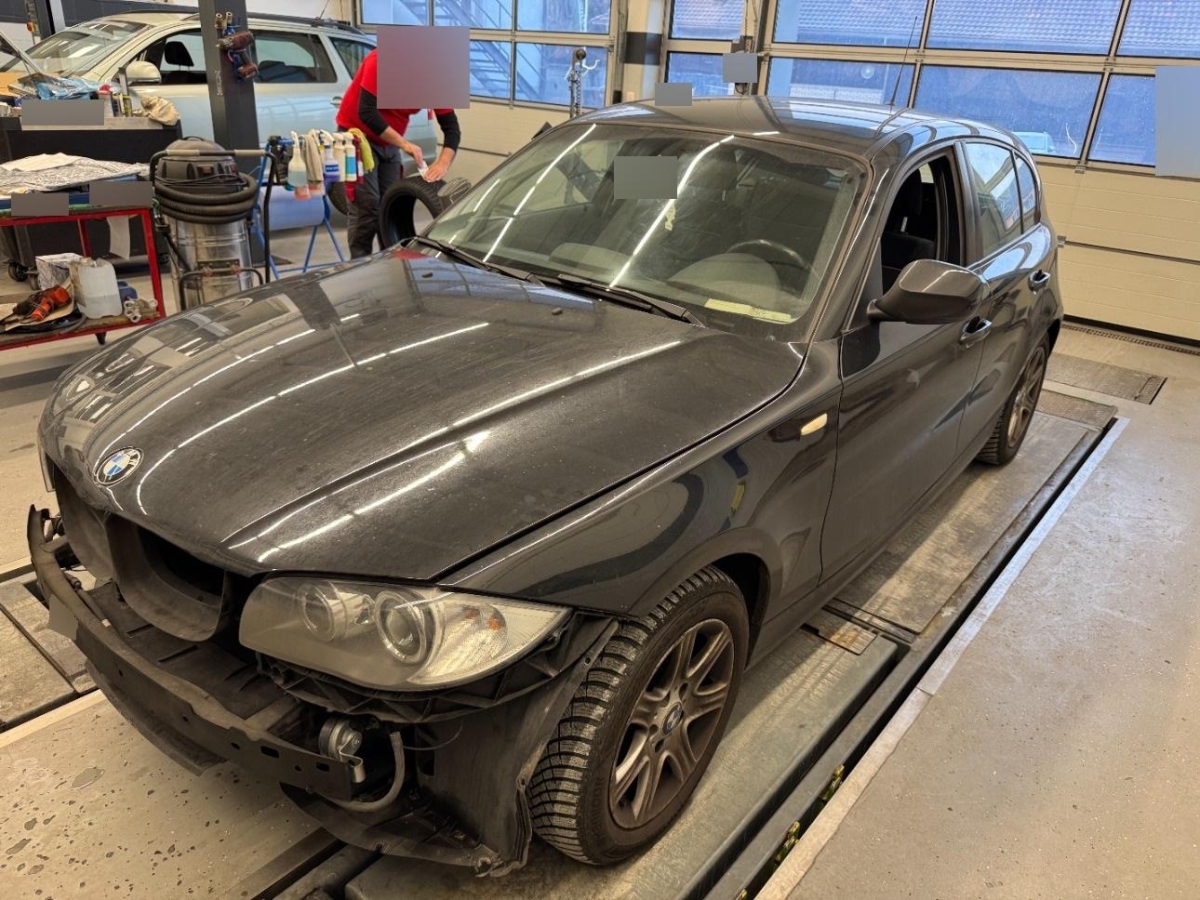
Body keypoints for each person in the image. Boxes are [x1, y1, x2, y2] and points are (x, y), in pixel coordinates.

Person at [335, 48, 462, 258]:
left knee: (390, 204)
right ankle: (359, 264)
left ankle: (391, 261)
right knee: (367, 205)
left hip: (388, 141)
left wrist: (443, 163)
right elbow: (366, 112)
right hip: (356, 135)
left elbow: (451, 128)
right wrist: (404, 144)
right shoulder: (380, 61)